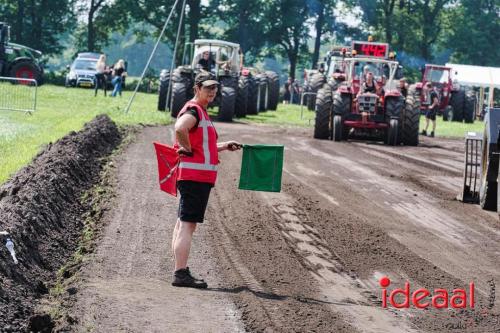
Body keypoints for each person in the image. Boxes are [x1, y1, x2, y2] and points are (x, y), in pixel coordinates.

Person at [171, 72, 242, 289]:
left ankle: (180, 269)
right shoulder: (194, 110)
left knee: (182, 224)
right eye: (207, 87)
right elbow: (180, 127)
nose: (212, 91)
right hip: (195, 177)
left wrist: (223, 146)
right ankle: (181, 273)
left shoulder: (201, 111)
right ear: (197, 88)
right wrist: (186, 148)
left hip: (194, 177)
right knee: (187, 225)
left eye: (214, 88)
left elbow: (201, 144)